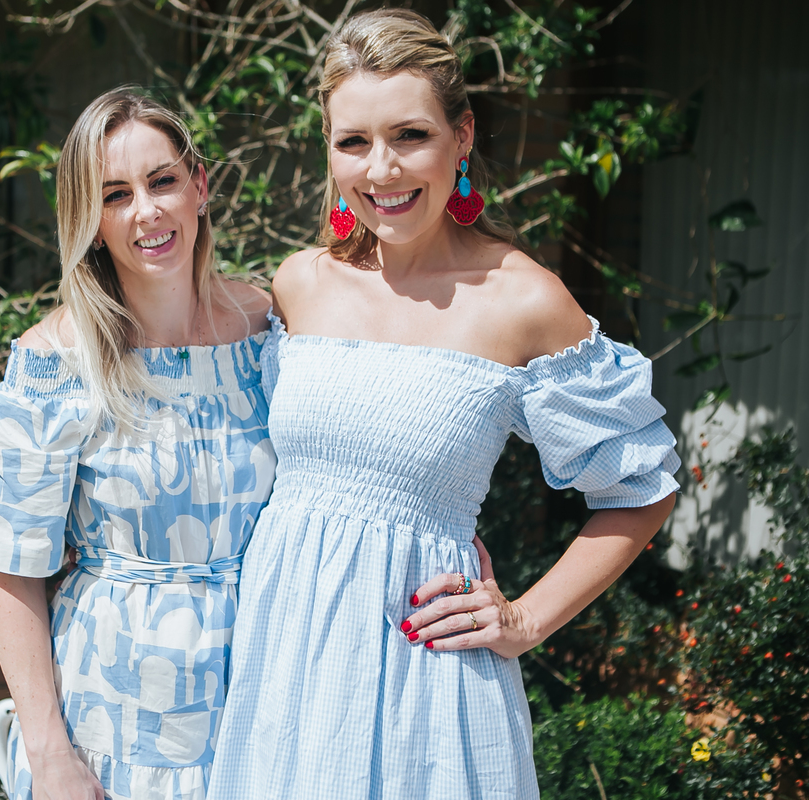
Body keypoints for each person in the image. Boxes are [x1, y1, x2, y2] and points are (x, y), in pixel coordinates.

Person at [208, 9, 680, 799]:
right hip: (283, 672)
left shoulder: (523, 299)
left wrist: (528, 619)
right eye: (354, 142)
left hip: (423, 684)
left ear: (462, 137)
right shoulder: (300, 283)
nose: (382, 169)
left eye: (410, 136)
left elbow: (642, 488)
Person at [0, 88, 274, 800]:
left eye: (162, 181)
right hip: (114, 721)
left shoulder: (269, 328)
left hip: (267, 701)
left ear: (199, 186)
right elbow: (13, 573)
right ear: (91, 222)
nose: (146, 211)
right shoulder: (53, 364)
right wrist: (49, 755)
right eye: (115, 195)